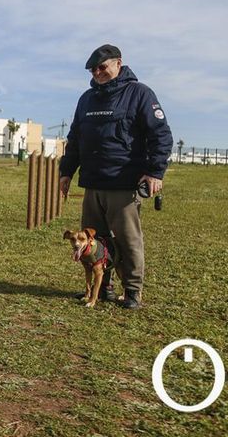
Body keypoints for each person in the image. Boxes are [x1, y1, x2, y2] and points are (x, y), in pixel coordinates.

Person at [59, 44, 172, 309]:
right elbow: (75, 138)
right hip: (93, 184)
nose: (97, 72)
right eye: (93, 69)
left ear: (118, 64)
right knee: (95, 243)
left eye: (102, 67)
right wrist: (66, 171)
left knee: (127, 240)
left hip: (124, 184)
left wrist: (155, 172)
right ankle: (104, 287)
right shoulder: (86, 99)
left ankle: (132, 291)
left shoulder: (139, 94)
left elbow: (161, 135)